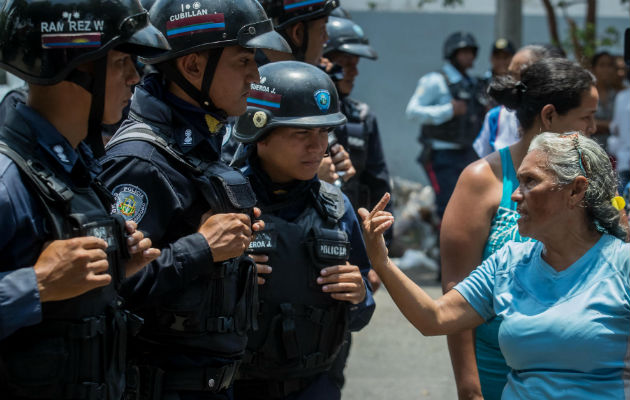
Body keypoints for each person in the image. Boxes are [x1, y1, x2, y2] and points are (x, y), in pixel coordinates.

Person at [97, 0, 291, 398]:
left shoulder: (201, 145)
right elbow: (103, 291)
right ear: (193, 67)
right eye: (243, 62)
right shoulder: (141, 162)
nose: (256, 76)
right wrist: (201, 249)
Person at [362, 132, 629, 399]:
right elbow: (435, 318)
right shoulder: (509, 262)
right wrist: (381, 262)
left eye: (530, 182)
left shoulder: (622, 265)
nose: (515, 195)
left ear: (575, 190)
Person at [0, 0, 167, 397]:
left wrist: (114, 268)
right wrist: (36, 286)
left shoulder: (75, 166)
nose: (135, 79)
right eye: (121, 61)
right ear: (73, 68)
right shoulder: (7, 180)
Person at [441, 58, 598, 400]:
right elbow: (456, 289)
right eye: (586, 117)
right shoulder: (482, 181)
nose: (594, 128)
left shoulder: (588, 182)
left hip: (577, 376)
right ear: (550, 116)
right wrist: (470, 388)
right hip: (497, 372)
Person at [230, 61, 375, 399]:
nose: (317, 146)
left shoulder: (336, 206)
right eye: (301, 134)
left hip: (316, 386)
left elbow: (361, 310)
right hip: (234, 388)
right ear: (260, 135)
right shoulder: (222, 202)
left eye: (323, 133)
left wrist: (358, 294)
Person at [405, 31, 487, 220]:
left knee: (472, 204)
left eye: (471, 52)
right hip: (442, 156)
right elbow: (413, 112)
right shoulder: (434, 81)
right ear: (452, 53)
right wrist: (448, 110)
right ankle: (445, 248)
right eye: (463, 52)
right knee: (448, 207)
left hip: (468, 153)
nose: (468, 57)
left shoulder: (473, 83)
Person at [473, 45, 554, 158]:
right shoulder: (495, 117)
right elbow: (483, 159)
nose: (513, 82)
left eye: (521, 76)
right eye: (510, 75)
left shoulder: (557, 115)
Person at [590, 51, 619, 151]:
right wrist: (611, 126)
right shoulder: (586, 95)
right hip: (591, 150)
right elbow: (585, 123)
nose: (606, 69)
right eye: (602, 65)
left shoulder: (618, 95)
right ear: (593, 69)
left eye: (609, 65)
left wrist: (599, 124)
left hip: (615, 152)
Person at [609, 75, 630, 191]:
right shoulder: (621, 96)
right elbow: (615, 128)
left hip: (623, 159)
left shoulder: (621, 96)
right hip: (623, 160)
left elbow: (614, 128)